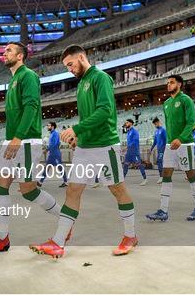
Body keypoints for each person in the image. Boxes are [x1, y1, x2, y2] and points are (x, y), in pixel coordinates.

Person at [31, 44, 138, 258]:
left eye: (70, 64)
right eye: (66, 66)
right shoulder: (81, 84)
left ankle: (130, 235)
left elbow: (105, 111)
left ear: (81, 57)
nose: (69, 69)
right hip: (85, 148)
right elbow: (88, 117)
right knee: (73, 190)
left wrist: (76, 129)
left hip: (105, 145)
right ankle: (58, 241)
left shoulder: (100, 78)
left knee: (117, 189)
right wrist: (79, 136)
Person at [0, 42, 61, 255]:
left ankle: (65, 219)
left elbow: (32, 106)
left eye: (9, 50)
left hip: (26, 141)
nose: (4, 53)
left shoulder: (28, 75)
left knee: (28, 191)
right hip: (11, 140)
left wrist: (18, 137)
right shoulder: (13, 79)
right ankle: (2, 239)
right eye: (4, 51)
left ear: (20, 55)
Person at [145, 75, 195, 222]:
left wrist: (181, 138)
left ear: (180, 84)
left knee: (190, 174)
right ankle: (163, 210)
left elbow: (191, 123)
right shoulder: (166, 103)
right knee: (166, 174)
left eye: (171, 82)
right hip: (170, 145)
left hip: (185, 144)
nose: (168, 85)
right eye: (167, 83)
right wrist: (169, 141)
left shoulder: (186, 100)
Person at [39, 122, 68, 188]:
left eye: (48, 125)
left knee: (59, 167)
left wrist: (47, 149)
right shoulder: (52, 133)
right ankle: (40, 182)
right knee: (48, 167)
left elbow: (54, 144)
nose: (47, 126)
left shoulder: (55, 133)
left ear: (52, 126)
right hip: (52, 153)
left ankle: (40, 182)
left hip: (55, 154)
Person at [123, 119, 147, 186]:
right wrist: (127, 148)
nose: (126, 124)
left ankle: (145, 179)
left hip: (134, 152)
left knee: (139, 164)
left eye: (127, 122)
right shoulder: (128, 132)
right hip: (129, 153)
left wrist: (127, 147)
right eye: (126, 122)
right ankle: (122, 180)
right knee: (125, 165)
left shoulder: (134, 131)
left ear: (131, 123)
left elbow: (135, 141)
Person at [150, 118, 167, 184]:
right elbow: (155, 141)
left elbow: (166, 139)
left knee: (159, 161)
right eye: (154, 124)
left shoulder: (163, 130)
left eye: (156, 123)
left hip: (163, 149)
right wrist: (151, 148)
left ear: (159, 122)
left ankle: (162, 177)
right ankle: (163, 176)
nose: (155, 125)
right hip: (159, 149)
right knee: (161, 162)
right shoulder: (156, 131)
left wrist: (166, 148)